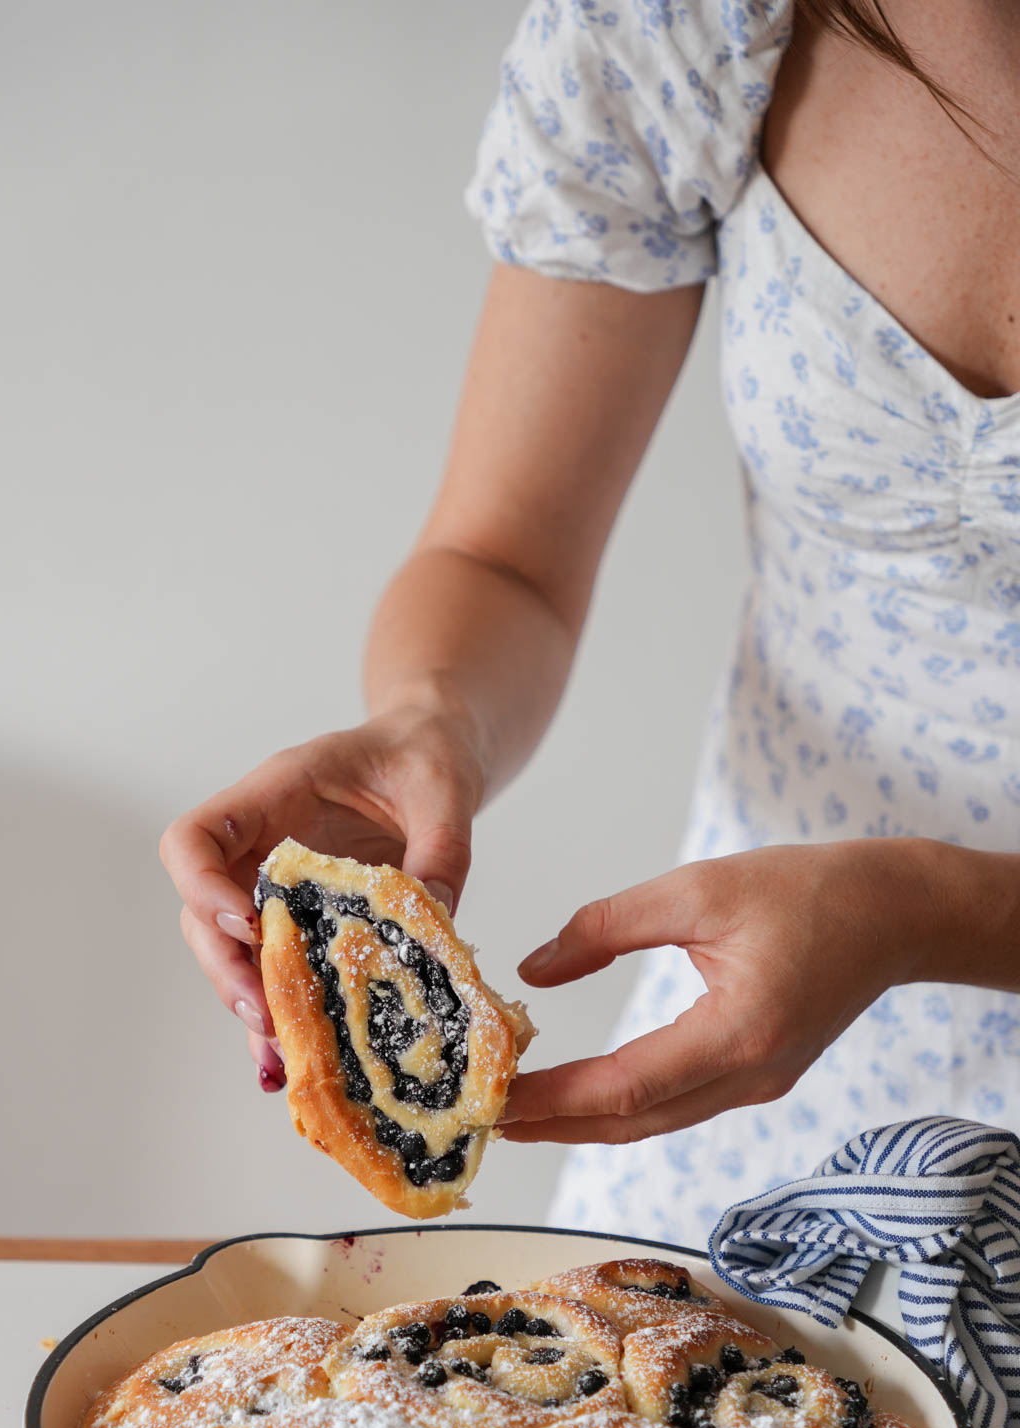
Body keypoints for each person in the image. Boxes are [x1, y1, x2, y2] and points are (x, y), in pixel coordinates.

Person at [160, 0, 1020, 1246]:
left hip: (850, 945)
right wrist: (429, 723)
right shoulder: (690, 26)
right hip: (750, 1066)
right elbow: (503, 557)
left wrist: (925, 913)